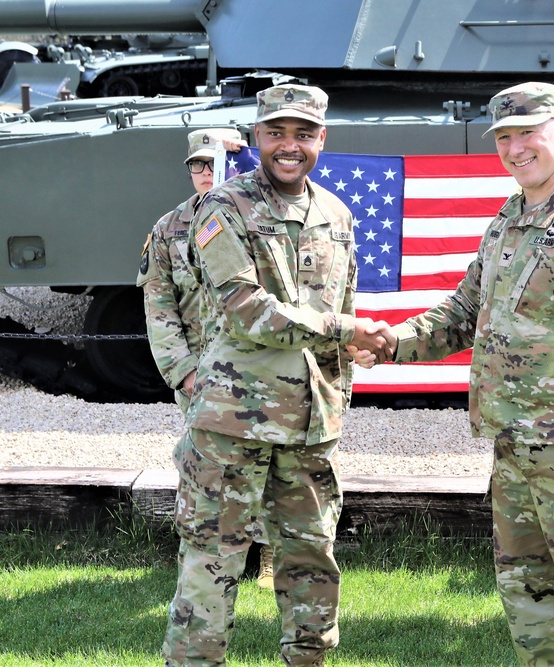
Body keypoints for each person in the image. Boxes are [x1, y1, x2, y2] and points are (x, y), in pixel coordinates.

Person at [356, 82, 554, 666]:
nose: (515, 147)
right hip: (517, 455)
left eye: (528, 132)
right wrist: (391, 341)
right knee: (535, 619)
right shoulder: (509, 220)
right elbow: (463, 314)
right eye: (504, 136)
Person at [161, 83, 389, 667]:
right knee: (213, 562)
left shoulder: (336, 213)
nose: (291, 146)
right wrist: (345, 331)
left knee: (312, 560)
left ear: (322, 139)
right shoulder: (223, 208)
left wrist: (343, 385)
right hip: (233, 421)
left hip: (312, 422)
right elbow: (245, 308)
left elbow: (347, 300)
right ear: (258, 136)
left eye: (304, 134)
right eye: (278, 133)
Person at [137, 127, 276, 591]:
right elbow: (159, 308)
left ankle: (271, 550)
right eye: (196, 164)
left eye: (213, 162)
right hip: (201, 374)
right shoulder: (168, 228)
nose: (204, 173)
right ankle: (207, 554)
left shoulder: (265, 220)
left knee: (272, 459)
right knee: (203, 465)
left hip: (261, 367)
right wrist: (185, 373)